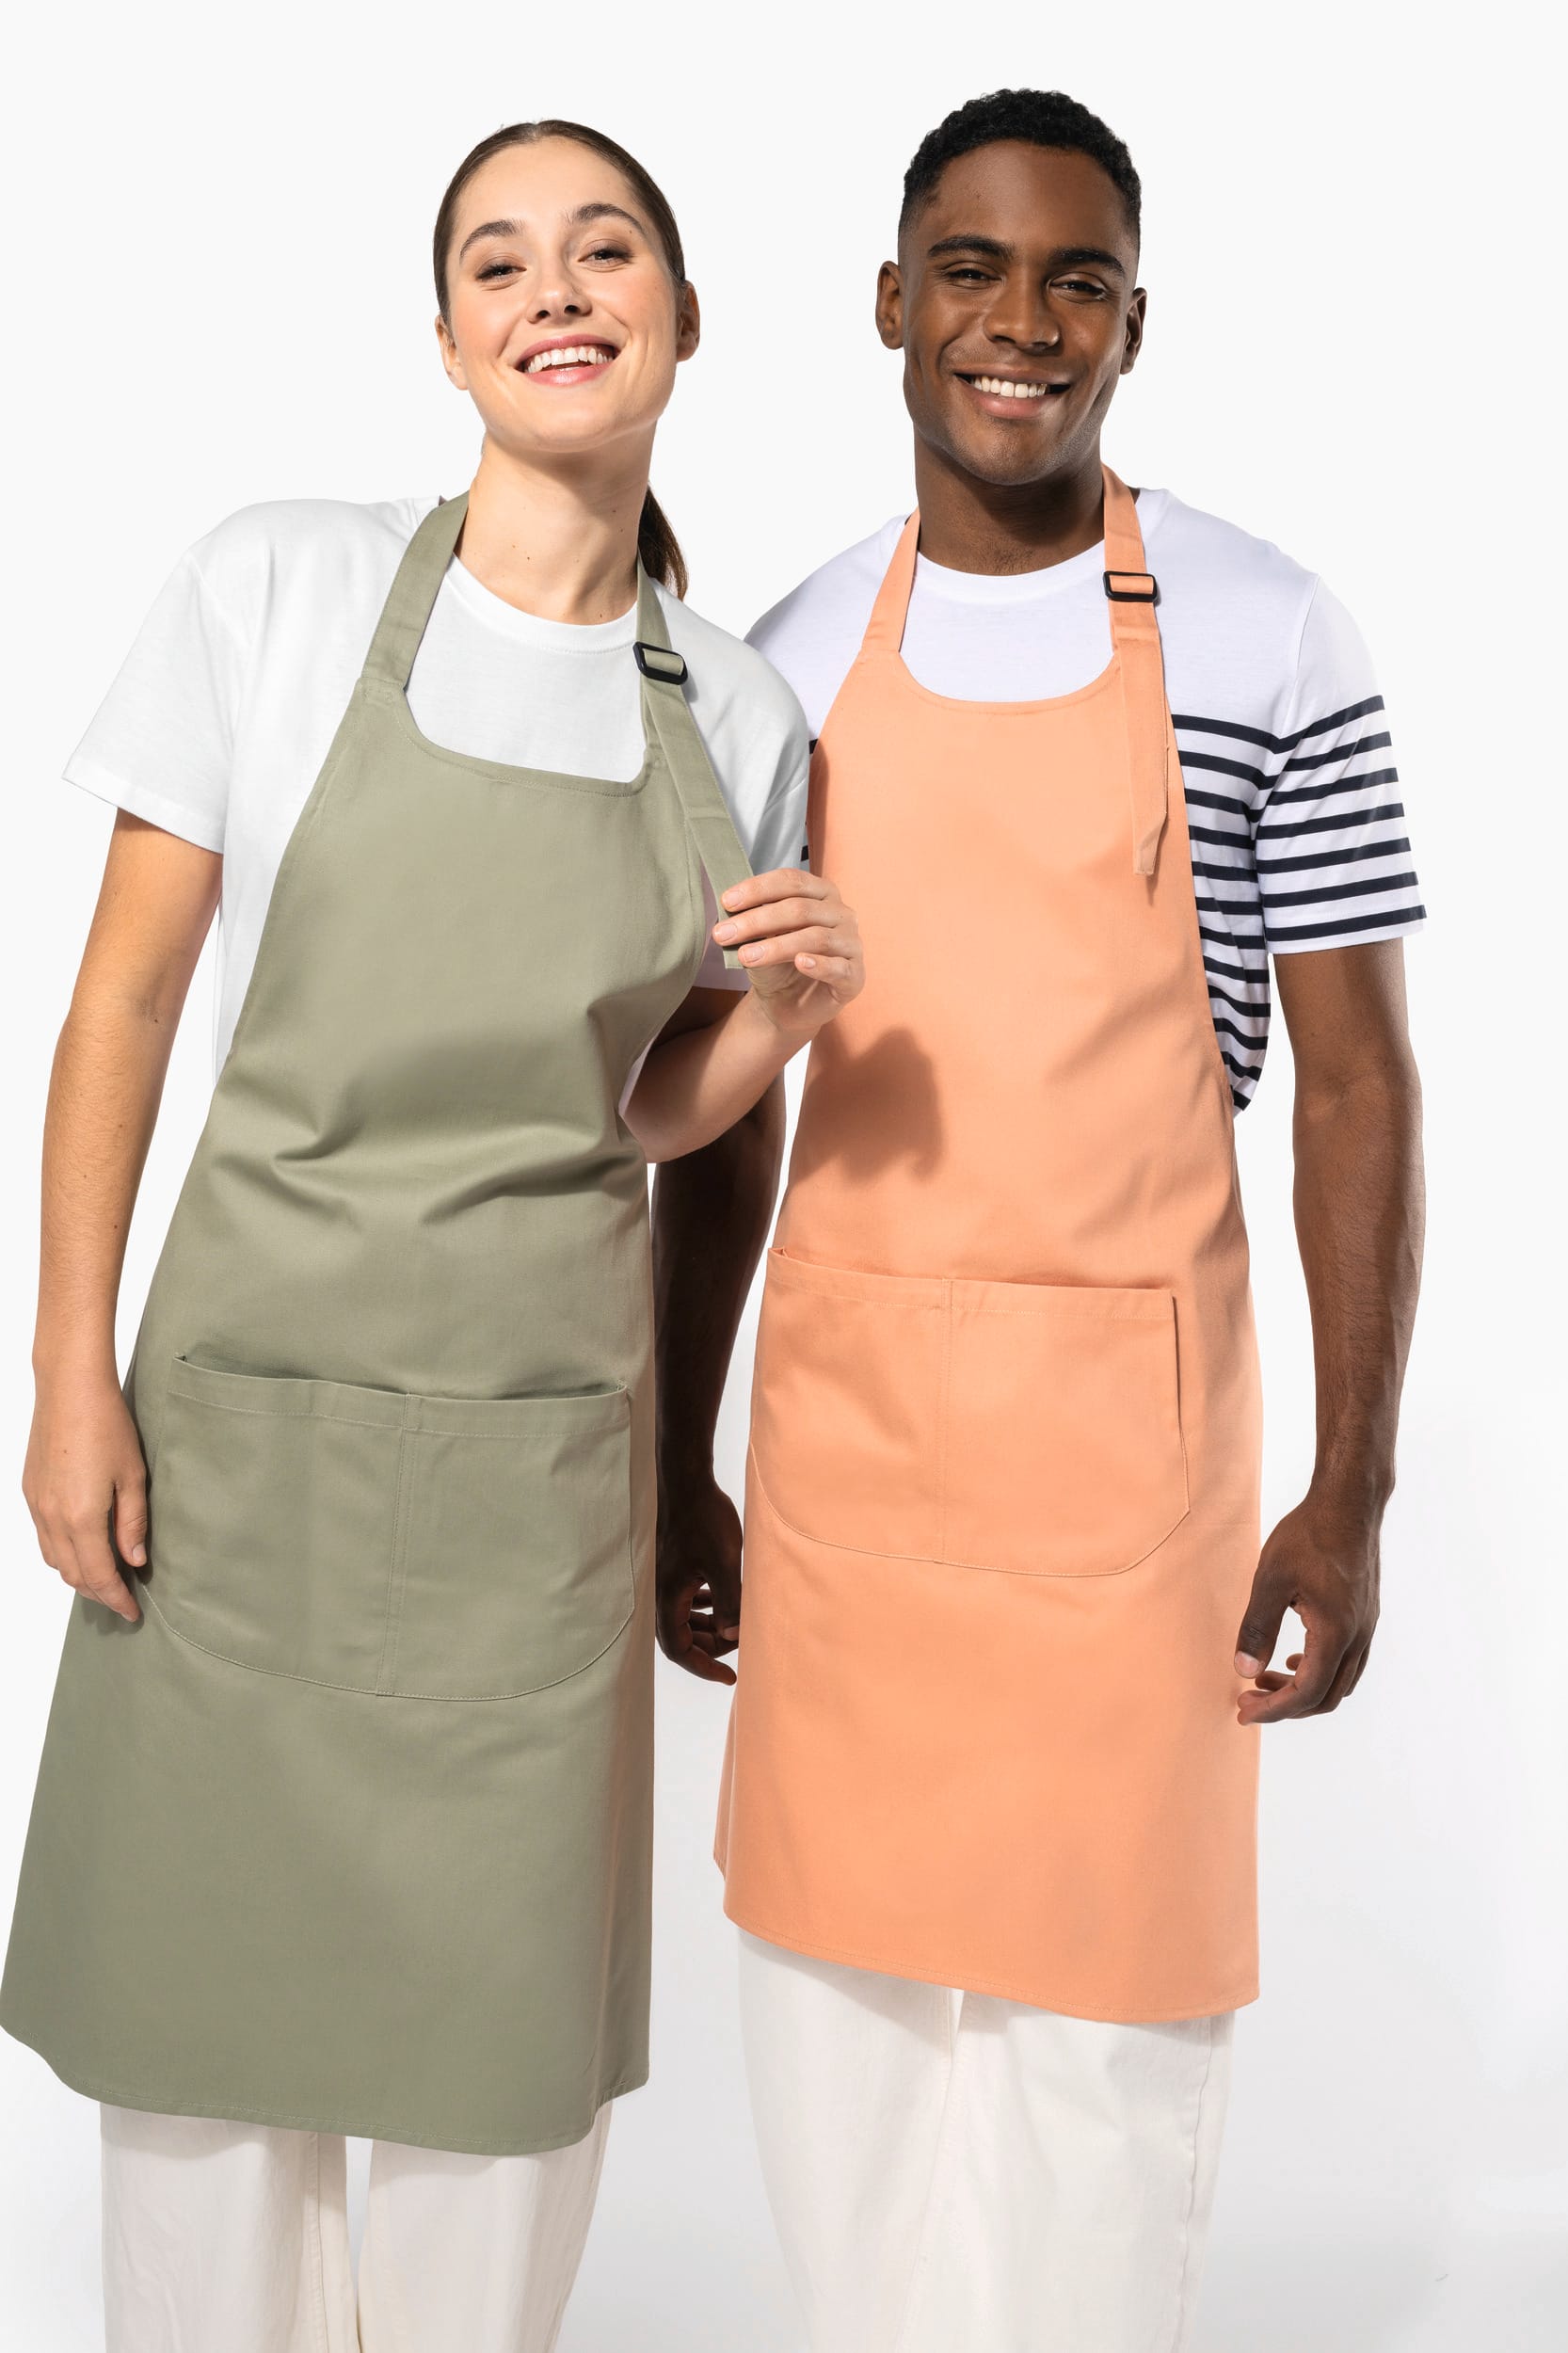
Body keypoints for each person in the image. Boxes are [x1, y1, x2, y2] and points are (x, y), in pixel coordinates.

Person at [3, 118, 861, 2353]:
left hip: (526, 1491)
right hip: (236, 1464)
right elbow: (122, 1002)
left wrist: (771, 1026)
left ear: (681, 314)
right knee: (199, 2081)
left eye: (601, 249)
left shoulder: (737, 714)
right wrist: (68, 1371)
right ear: (451, 339)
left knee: (489, 2118)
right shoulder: (272, 588)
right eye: (499, 261)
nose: (552, 289)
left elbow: (641, 1108)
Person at [653, 88, 1426, 2352]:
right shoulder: (786, 654)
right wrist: (674, 1446)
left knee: (1099, 2125)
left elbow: (1358, 1084)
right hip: (850, 1490)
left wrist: (1351, 1486)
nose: (1022, 322)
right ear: (890, 302)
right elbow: (723, 1115)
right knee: (843, 2096)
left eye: (1076, 280)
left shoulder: (1269, 635)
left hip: (1128, 1505)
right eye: (973, 271)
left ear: (1132, 325)